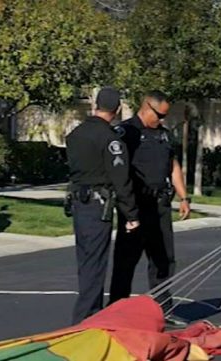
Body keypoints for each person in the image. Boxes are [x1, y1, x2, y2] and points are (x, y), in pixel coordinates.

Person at [109, 90, 191, 314]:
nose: (162, 120)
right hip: (135, 205)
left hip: (160, 204)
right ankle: (116, 310)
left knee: (163, 260)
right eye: (160, 115)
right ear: (146, 107)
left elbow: (173, 166)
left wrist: (184, 197)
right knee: (126, 260)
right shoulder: (126, 132)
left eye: (165, 116)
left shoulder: (164, 135)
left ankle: (163, 310)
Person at [65, 86, 140, 324]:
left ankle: (86, 314)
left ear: (96, 105)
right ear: (117, 109)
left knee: (86, 261)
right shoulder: (110, 139)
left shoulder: (76, 134)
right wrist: (131, 214)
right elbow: (121, 178)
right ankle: (87, 317)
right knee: (96, 263)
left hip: (79, 202)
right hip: (98, 204)